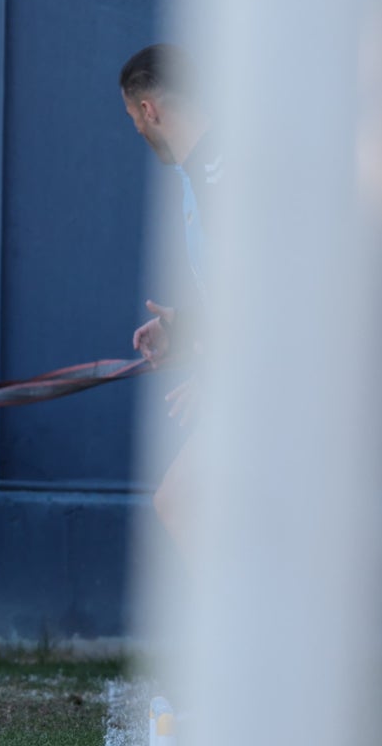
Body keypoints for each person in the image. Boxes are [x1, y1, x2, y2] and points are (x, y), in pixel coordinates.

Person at [120, 43, 218, 560]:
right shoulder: (202, 170)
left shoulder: (213, 173)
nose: (137, 128)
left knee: (182, 502)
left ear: (149, 110)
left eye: (133, 116)